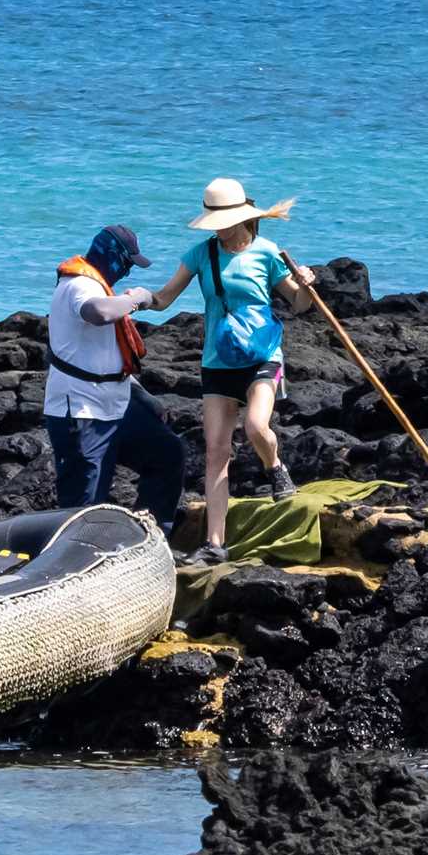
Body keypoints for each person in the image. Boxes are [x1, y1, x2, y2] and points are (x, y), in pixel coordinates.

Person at [142, 179, 317, 566]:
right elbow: (165, 297)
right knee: (216, 454)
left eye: (224, 219)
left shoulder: (267, 253)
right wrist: (135, 300)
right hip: (217, 361)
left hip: (262, 356)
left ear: (242, 218)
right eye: (214, 220)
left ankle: (276, 468)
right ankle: (215, 544)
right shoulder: (201, 254)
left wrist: (305, 285)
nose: (219, 227)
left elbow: (300, 304)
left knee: (256, 427)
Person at [43, 223, 185, 535]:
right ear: (114, 257)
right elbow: (99, 312)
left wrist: (146, 398)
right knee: (85, 502)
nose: (129, 273)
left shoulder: (98, 285)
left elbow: (109, 359)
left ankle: (149, 533)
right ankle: (73, 563)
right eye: (128, 264)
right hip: (81, 411)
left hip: (118, 403)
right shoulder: (79, 284)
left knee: (167, 454)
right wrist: (137, 299)